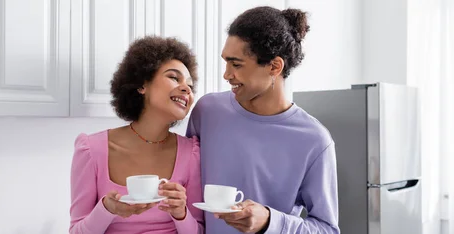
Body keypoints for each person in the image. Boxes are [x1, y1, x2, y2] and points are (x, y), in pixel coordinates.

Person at [186, 6, 340, 234]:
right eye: (226, 63)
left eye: (236, 64)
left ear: (274, 66)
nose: (226, 74)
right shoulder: (207, 111)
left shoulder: (315, 141)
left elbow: (327, 229)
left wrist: (270, 221)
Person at [69, 36, 204, 234]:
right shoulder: (91, 149)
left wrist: (181, 214)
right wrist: (106, 208)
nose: (186, 89)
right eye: (174, 77)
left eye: (190, 86)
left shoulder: (191, 152)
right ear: (142, 85)